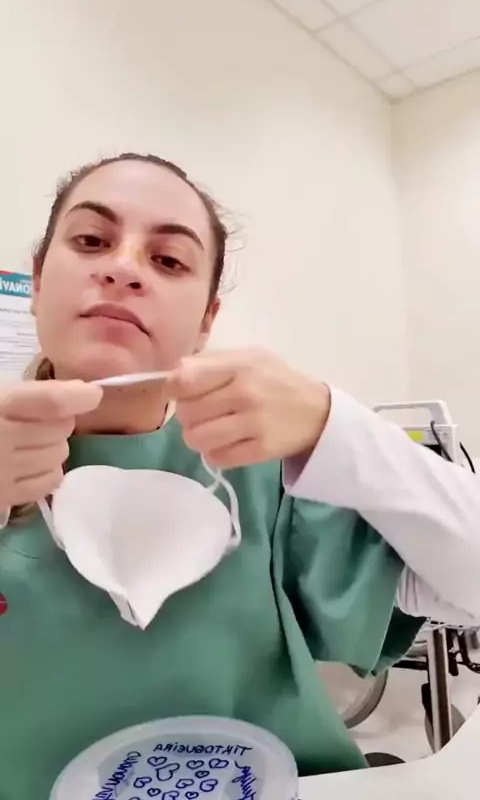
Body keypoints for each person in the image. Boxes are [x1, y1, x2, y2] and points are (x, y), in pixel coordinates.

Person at [1, 153, 480, 799]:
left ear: (206, 321)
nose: (123, 267)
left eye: (168, 260)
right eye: (92, 240)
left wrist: (335, 427)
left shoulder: (259, 476)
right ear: (35, 282)